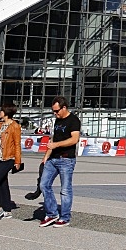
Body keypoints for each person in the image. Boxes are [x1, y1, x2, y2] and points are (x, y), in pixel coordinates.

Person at [39, 96, 81, 227]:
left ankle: (65, 217)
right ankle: (52, 214)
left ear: (64, 107)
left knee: (65, 189)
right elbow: (53, 140)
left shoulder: (74, 120)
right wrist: (46, 156)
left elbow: (74, 139)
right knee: (44, 185)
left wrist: (56, 145)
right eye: (53, 111)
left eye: (57, 111)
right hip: (53, 159)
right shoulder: (57, 121)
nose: (55, 113)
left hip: (66, 159)